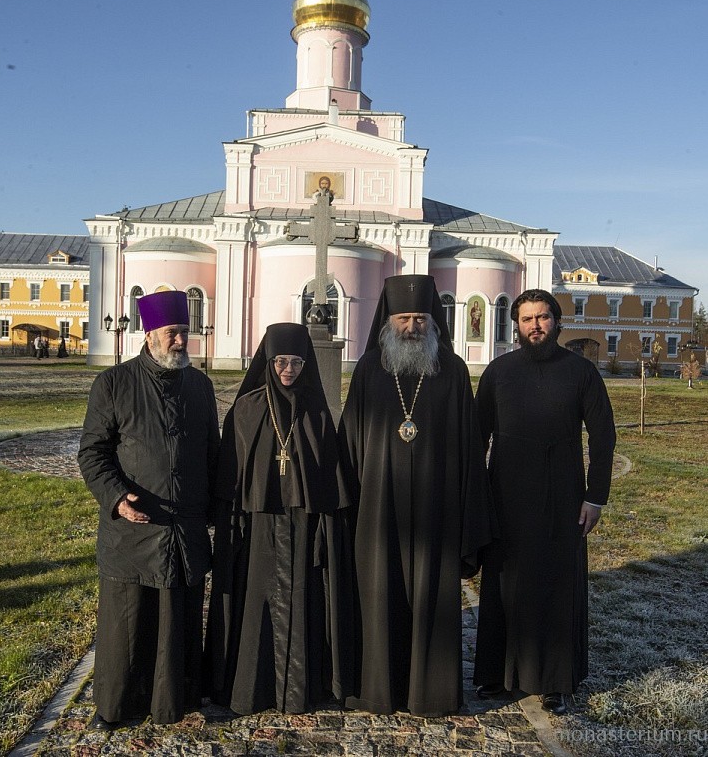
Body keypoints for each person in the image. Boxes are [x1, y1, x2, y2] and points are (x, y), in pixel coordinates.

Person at [339, 274, 495, 716]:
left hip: (437, 507)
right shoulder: (370, 369)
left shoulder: (453, 370)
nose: (411, 328)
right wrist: (345, 505)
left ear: (434, 321)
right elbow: (350, 441)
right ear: (388, 322)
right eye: (403, 319)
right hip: (378, 507)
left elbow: (469, 446)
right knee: (379, 591)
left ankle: (431, 694)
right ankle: (380, 690)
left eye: (420, 319)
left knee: (432, 597)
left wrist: (468, 508)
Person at [78, 290, 220, 728]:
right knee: (129, 621)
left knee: (177, 616)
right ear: (149, 334)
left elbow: (212, 454)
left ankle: (173, 700)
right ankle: (117, 706)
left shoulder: (200, 386)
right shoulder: (113, 383)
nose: (180, 341)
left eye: (185, 332)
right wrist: (116, 498)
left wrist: (215, 510)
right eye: (172, 333)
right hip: (134, 529)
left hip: (183, 526)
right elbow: (93, 453)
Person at [473, 289, 616, 716]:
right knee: (504, 583)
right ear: (516, 326)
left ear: (556, 321)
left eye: (542, 317)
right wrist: (475, 494)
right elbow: (477, 436)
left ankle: (556, 681)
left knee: (556, 585)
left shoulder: (581, 372)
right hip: (505, 493)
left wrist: (596, 497)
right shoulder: (498, 372)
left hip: (564, 494)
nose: (535, 325)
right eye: (527, 319)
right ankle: (497, 673)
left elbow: (604, 437)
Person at [205, 322, 353, 715]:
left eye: (297, 362)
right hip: (258, 527)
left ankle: (300, 689)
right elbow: (232, 478)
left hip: (303, 524)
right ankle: (252, 689)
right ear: (268, 362)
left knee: (303, 599)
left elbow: (328, 478)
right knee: (256, 603)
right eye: (281, 361)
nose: (289, 369)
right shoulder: (246, 409)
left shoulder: (317, 412)